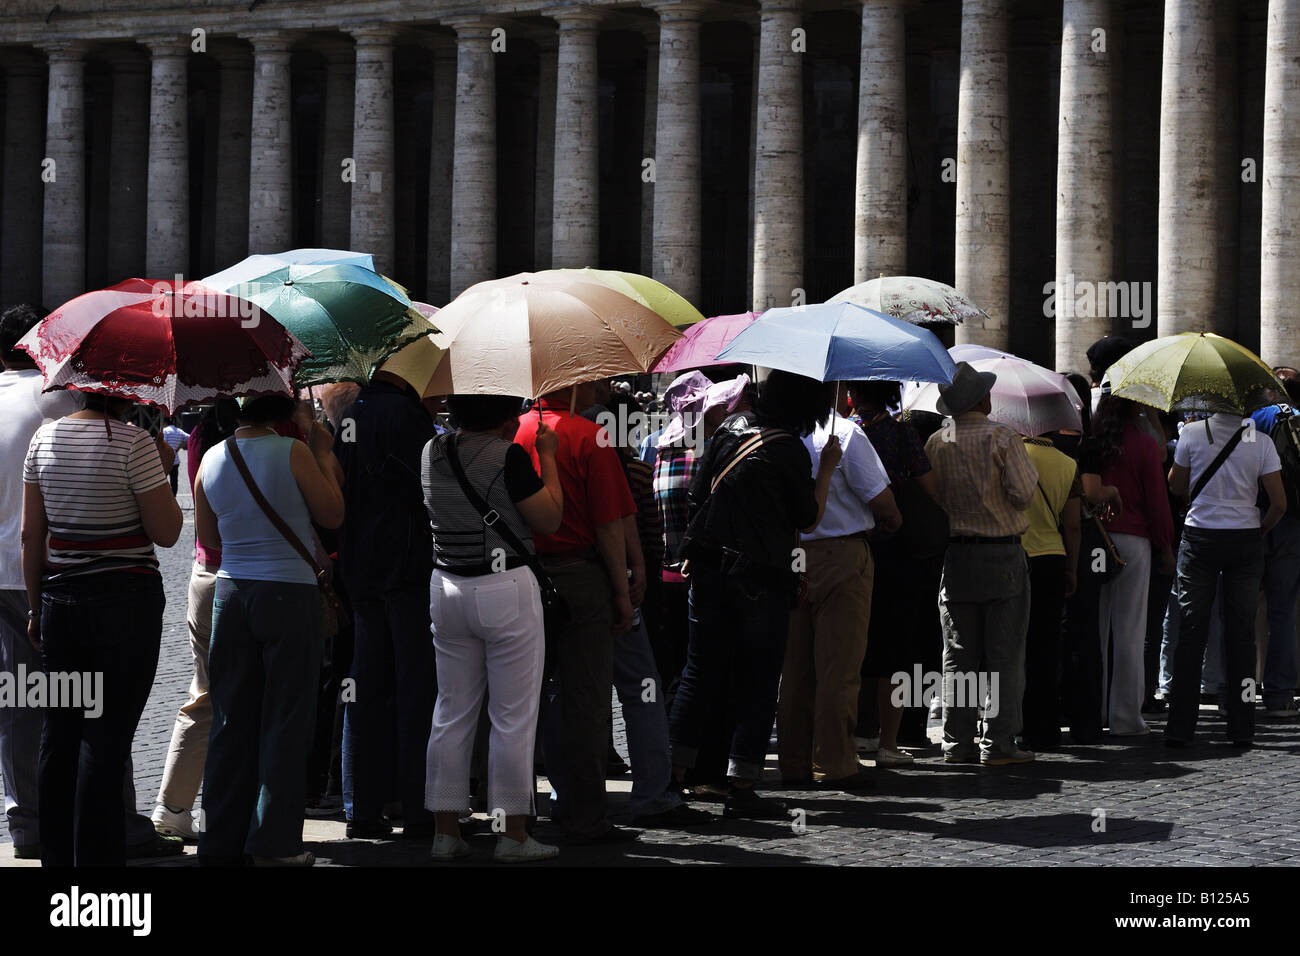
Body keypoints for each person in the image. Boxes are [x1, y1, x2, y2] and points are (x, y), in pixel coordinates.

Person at [22, 390, 183, 866]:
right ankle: (97, 866)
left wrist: (36, 608)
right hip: (125, 603)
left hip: (61, 601)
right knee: (107, 737)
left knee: (60, 731)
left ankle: (57, 858)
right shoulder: (135, 444)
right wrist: (165, 467)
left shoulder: (43, 439)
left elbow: (33, 535)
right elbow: (168, 532)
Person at [671, 369, 838, 819]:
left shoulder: (729, 428)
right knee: (759, 678)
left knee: (699, 671)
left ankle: (675, 774)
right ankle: (742, 779)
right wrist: (826, 470)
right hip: (760, 578)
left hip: (708, 571)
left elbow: (697, 493)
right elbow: (807, 518)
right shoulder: (789, 448)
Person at [195, 395, 344, 866]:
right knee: (286, 720)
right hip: (288, 592)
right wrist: (321, 448)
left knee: (230, 721)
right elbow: (334, 514)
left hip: (231, 593)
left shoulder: (210, 457)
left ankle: (220, 841)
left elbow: (210, 539)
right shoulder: (292, 451)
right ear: (281, 410)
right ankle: (275, 843)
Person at [421, 395, 564, 862]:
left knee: (452, 711)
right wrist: (547, 458)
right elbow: (549, 518)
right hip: (504, 585)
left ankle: (445, 831)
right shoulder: (509, 455)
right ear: (506, 420)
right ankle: (513, 834)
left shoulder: (430, 452)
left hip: (447, 583)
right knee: (512, 718)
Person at [514, 382, 640, 845]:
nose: (604, 382)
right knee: (585, 699)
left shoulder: (515, 432)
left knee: (519, 702)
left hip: (520, 577)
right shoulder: (590, 435)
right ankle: (584, 814)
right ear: (575, 381)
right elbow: (609, 524)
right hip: (578, 577)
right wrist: (622, 591)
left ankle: (518, 816)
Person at [334, 370, 440, 839]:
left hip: (361, 568)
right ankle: (418, 808)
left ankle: (361, 806)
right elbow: (428, 489)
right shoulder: (407, 414)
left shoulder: (351, 413)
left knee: (364, 685)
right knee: (415, 687)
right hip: (405, 566)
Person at [776, 387, 900, 788]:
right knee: (839, 667)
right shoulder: (845, 435)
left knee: (795, 669)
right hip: (841, 555)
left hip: (791, 555)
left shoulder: (780, 435)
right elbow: (882, 502)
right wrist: (894, 520)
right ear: (836, 390)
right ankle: (833, 761)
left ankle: (794, 762)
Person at [923, 362, 1037, 766]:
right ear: (983, 399)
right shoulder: (1001, 436)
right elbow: (1024, 494)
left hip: (957, 554)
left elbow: (933, 495)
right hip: (1002, 551)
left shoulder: (936, 442)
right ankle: (1000, 743)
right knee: (1004, 655)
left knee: (958, 653)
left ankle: (958, 742)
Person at [0, 304, 80, 859]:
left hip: (1, 572)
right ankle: (93, 815)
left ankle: (25, 822)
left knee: (17, 698)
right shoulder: (54, 399)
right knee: (82, 694)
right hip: (48, 568)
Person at [1165, 407, 1287, 747]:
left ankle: (1180, 727)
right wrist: (1259, 531)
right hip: (1245, 538)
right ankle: (1242, 725)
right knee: (1241, 635)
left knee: (1191, 633)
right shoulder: (1259, 440)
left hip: (1201, 536)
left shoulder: (1192, 434)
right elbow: (1278, 503)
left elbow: (1175, 486)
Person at [151, 399, 237, 840]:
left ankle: (174, 805)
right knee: (254, 699)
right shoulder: (280, 441)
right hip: (252, 574)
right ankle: (230, 813)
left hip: (205, 572)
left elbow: (203, 529)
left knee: (203, 694)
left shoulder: (201, 435)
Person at [848, 379, 947, 757]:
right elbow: (933, 490)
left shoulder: (841, 435)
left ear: (851, 395)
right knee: (896, 644)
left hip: (855, 545)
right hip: (901, 551)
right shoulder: (903, 435)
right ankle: (889, 741)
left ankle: (856, 731)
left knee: (854, 643)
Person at [1086, 396, 1175, 737]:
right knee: (1130, 631)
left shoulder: (1092, 444)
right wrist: (1165, 545)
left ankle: (1094, 710)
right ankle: (1124, 716)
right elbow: (1157, 500)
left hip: (1096, 539)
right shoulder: (1143, 444)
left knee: (1096, 630)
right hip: (1133, 541)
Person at [1018, 433, 1081, 751]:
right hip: (1052, 558)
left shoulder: (1012, 455)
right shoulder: (1069, 464)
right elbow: (1072, 524)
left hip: (1017, 554)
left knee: (1014, 644)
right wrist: (1072, 567)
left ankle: (1011, 722)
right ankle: (1043, 728)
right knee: (1046, 646)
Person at [1253, 378, 1300, 717]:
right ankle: (1279, 695)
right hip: (1292, 524)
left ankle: (1233, 694)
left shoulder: (1258, 418)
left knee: (1239, 611)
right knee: (1283, 612)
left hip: (1254, 518)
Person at [162, 418, 190, 495]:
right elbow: (190, 438)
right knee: (174, 481)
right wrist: (180, 446)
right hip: (175, 460)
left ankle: (166, 498)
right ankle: (173, 497)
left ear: (165, 423)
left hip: (166, 461)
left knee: (163, 481)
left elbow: (163, 444)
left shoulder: (165, 431)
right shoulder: (179, 431)